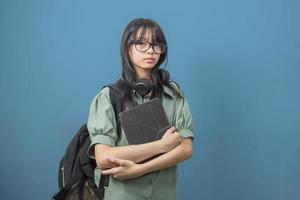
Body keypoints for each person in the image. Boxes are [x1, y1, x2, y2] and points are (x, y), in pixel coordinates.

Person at [87, 18, 194, 200]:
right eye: (141, 43)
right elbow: (104, 157)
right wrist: (162, 146)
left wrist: (139, 169)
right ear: (127, 47)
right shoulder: (108, 96)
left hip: (163, 195)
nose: (151, 50)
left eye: (156, 44)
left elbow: (185, 149)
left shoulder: (174, 94)